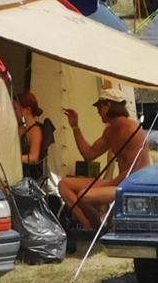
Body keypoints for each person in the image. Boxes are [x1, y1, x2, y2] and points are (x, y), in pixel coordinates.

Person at [57, 82, 150, 231]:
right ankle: (92, 226)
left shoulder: (134, 132)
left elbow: (132, 173)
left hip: (132, 185)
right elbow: (89, 154)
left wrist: (107, 185)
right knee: (64, 184)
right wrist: (75, 126)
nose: (98, 112)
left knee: (84, 196)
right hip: (116, 182)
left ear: (108, 106)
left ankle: (101, 227)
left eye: (99, 107)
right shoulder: (110, 132)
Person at [15, 92, 55, 181]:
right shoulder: (19, 128)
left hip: (29, 177)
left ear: (27, 110)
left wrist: (14, 159)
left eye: (15, 108)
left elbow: (34, 157)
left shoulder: (35, 130)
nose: (14, 112)